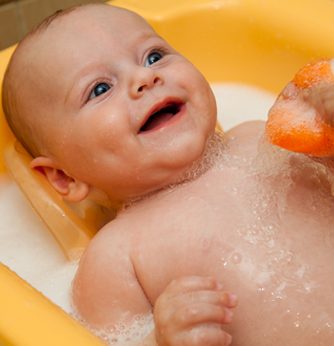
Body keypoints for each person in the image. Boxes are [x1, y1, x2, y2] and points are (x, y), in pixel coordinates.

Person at [2, 3, 334, 345]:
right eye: (100, 89)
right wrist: (159, 339)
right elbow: (104, 340)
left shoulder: (259, 138)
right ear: (63, 178)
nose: (146, 77)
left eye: (154, 56)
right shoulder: (115, 259)